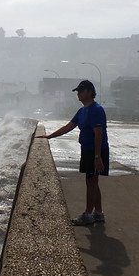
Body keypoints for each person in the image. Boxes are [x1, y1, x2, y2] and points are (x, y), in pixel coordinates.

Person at [36, 80, 109, 226]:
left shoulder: (96, 109)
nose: (78, 94)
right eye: (77, 91)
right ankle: (98, 213)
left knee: (91, 182)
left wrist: (97, 156)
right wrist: (50, 136)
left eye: (81, 91)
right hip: (87, 150)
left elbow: (98, 134)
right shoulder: (82, 111)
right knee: (93, 181)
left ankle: (88, 215)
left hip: (96, 151)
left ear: (89, 92)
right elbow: (68, 126)